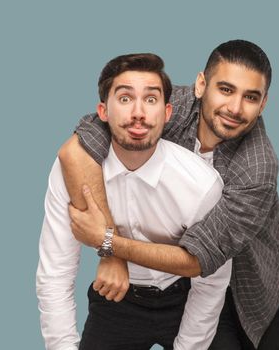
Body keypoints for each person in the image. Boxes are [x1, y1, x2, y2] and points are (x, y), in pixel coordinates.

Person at [60, 40, 279, 349]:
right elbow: (76, 150)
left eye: (250, 97)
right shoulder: (170, 107)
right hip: (179, 281)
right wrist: (112, 254)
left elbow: (198, 259)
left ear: (263, 104)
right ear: (201, 85)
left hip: (251, 278)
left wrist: (108, 242)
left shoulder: (258, 167)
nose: (235, 108)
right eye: (225, 89)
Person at [36, 53, 232, 350]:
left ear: (167, 113)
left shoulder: (201, 184)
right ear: (103, 111)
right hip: (115, 297)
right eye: (125, 99)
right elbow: (56, 271)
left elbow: (211, 282)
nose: (138, 112)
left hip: (185, 298)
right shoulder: (70, 172)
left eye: (151, 100)